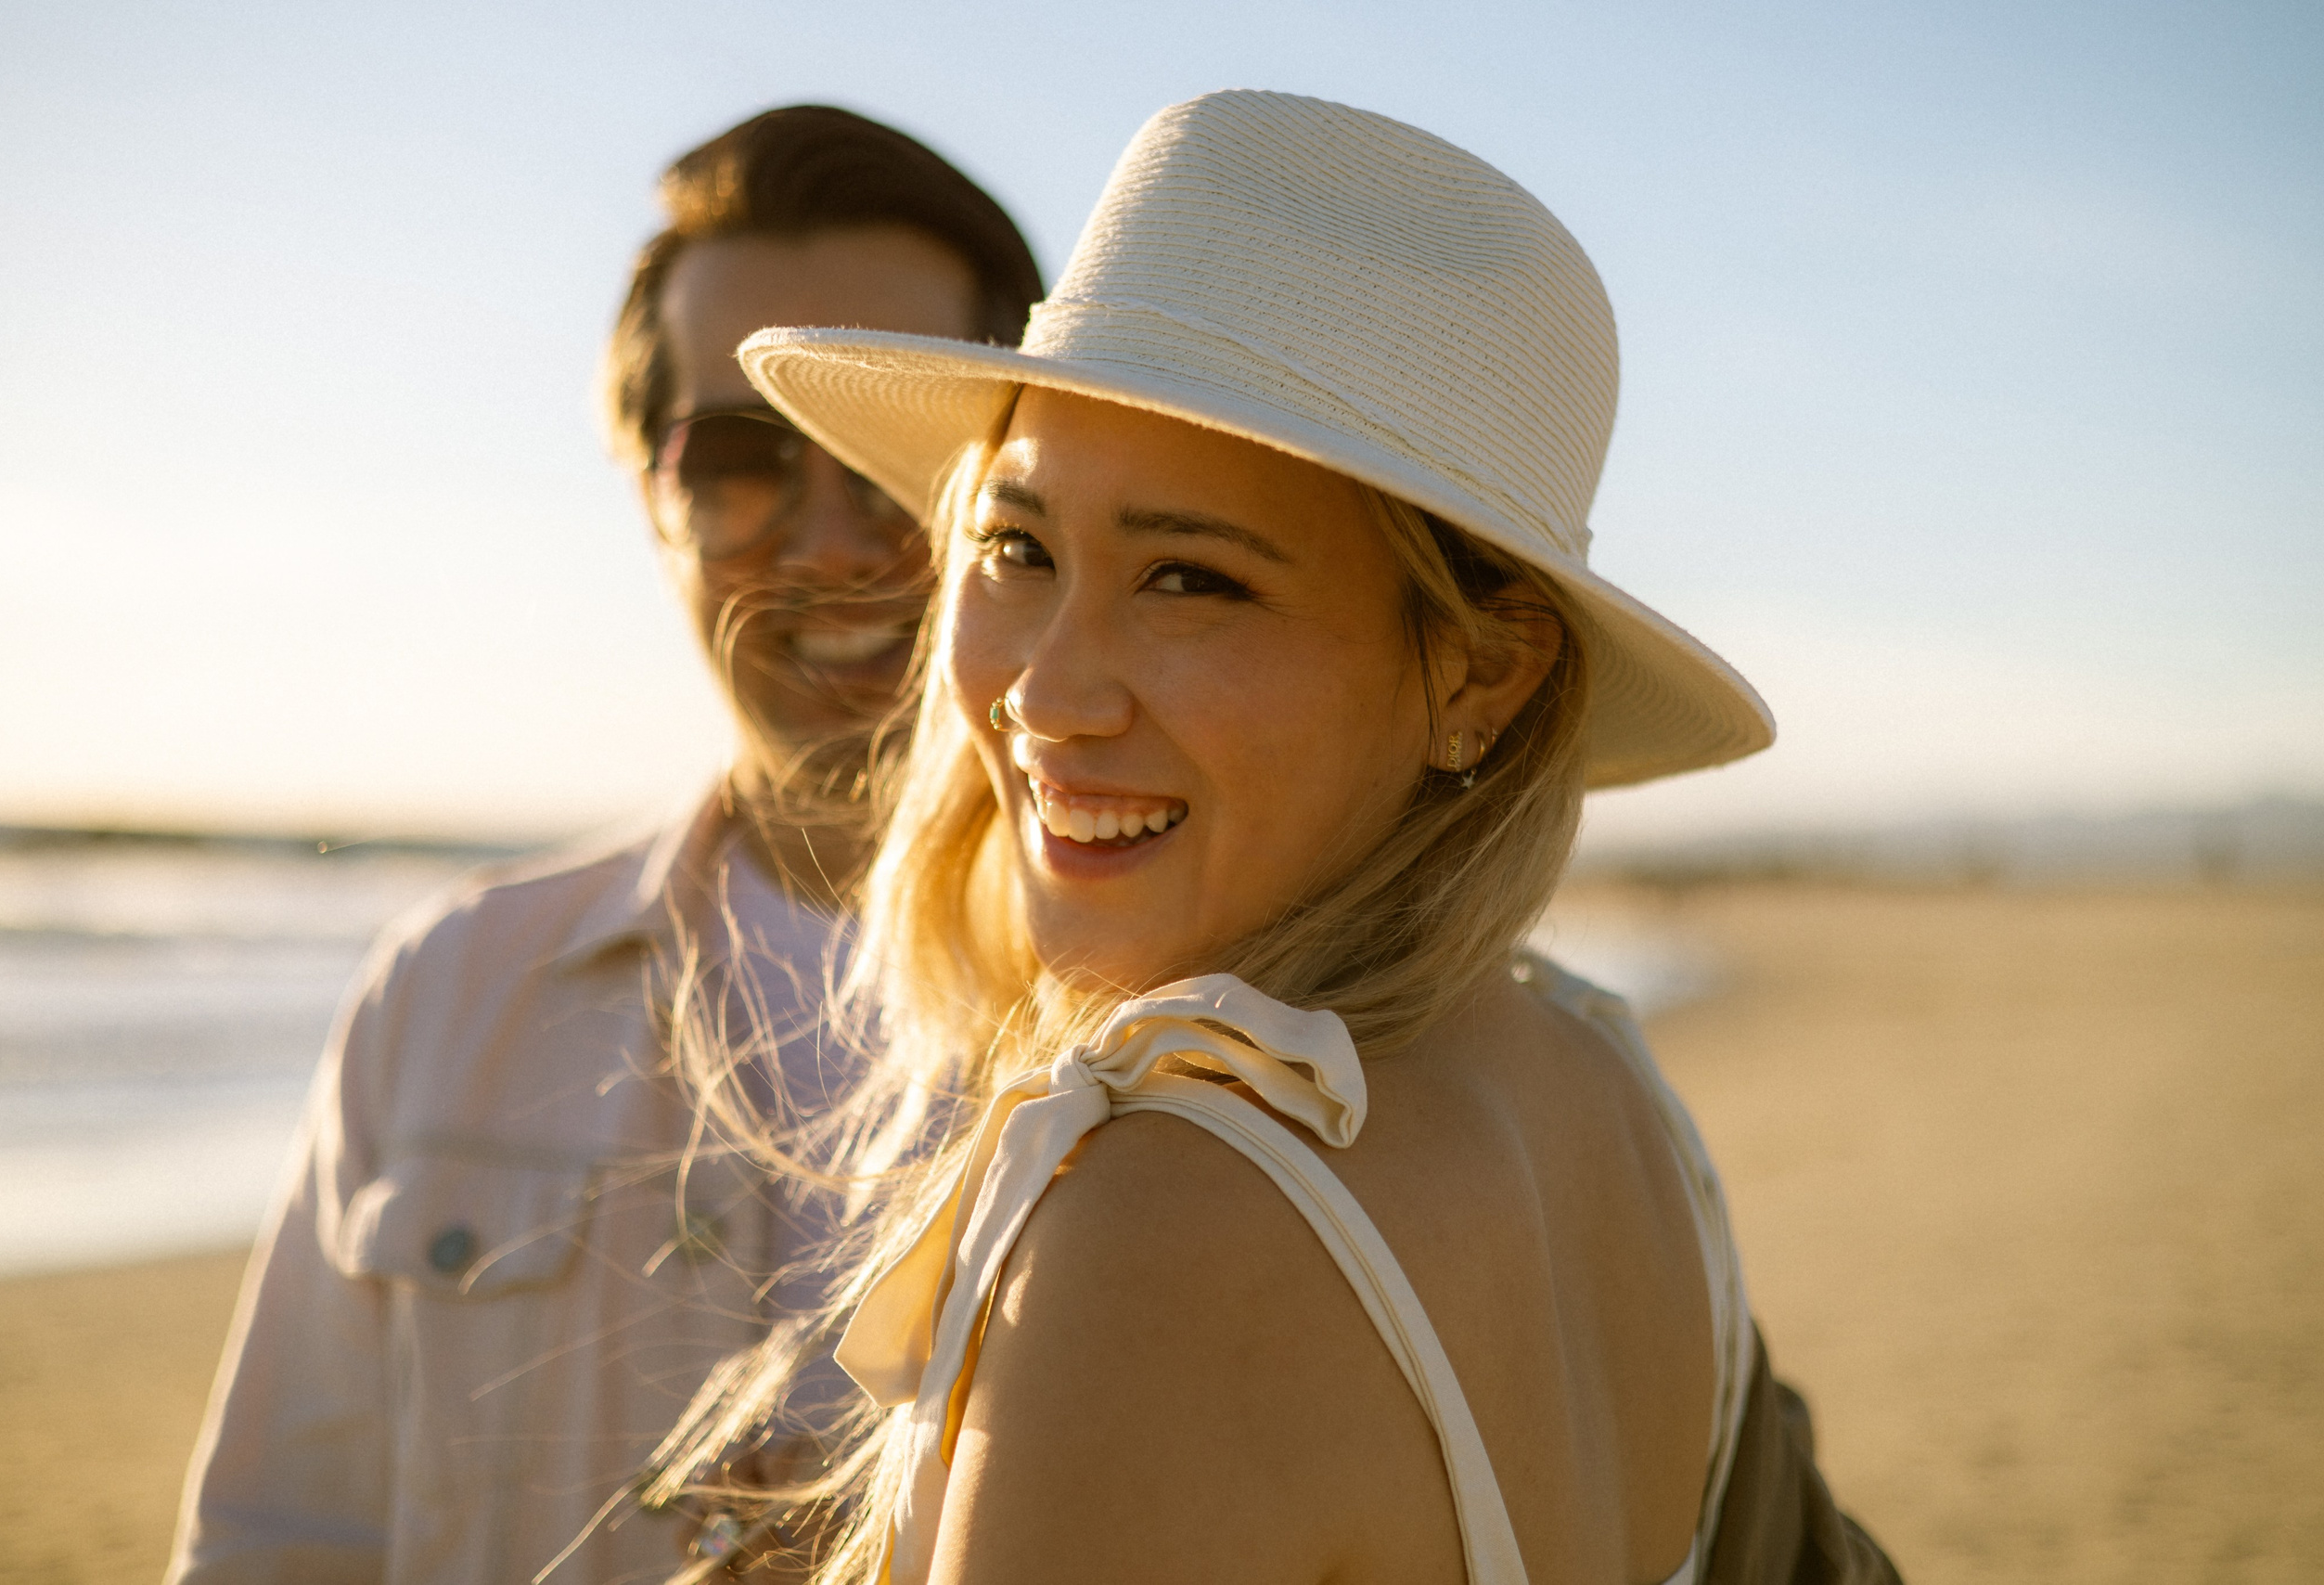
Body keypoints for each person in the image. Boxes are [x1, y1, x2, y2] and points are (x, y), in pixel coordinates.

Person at [651, 90, 1899, 1584]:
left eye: (1193, 580)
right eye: (1017, 547)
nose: (1045, 690)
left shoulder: (1160, 1230)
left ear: (1480, 673)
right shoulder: (1601, 1079)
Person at [164, 106, 1044, 1585]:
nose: (831, 543)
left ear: (1022, 485)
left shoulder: (1205, 1023)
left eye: (893, 450)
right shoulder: (447, 993)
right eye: (741, 457)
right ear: (652, 497)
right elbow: (277, 1548)